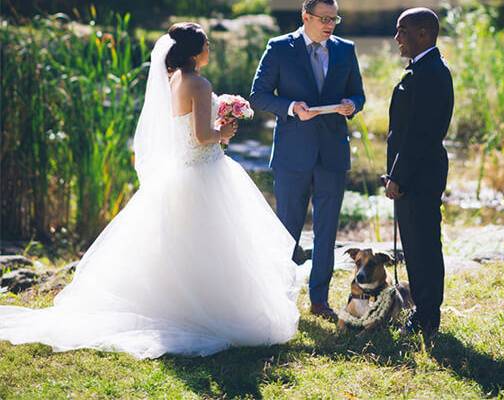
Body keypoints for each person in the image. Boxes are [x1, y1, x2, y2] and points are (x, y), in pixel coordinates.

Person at [0, 23, 300, 359]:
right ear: (194, 53)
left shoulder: (174, 80)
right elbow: (203, 135)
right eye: (206, 44)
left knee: (183, 246)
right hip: (204, 170)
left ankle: (180, 308)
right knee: (212, 245)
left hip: (183, 171)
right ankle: (210, 312)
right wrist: (225, 130)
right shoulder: (199, 84)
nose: (210, 48)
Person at [250, 0, 365, 321]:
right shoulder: (278, 48)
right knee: (286, 231)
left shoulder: (345, 49)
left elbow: (359, 94)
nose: (330, 24)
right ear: (305, 17)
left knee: (327, 232)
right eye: (324, 19)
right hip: (291, 155)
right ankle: (280, 300)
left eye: (334, 19)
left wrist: (350, 104)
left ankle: (319, 301)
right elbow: (258, 95)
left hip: (332, 154)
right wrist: (290, 107)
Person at [383, 8, 454, 339]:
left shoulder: (431, 74)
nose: (397, 38)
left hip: (420, 173)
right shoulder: (421, 70)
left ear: (423, 33)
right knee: (414, 244)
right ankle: (424, 311)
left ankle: (427, 317)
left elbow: (421, 135)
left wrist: (398, 176)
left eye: (403, 31)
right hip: (414, 171)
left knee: (423, 245)